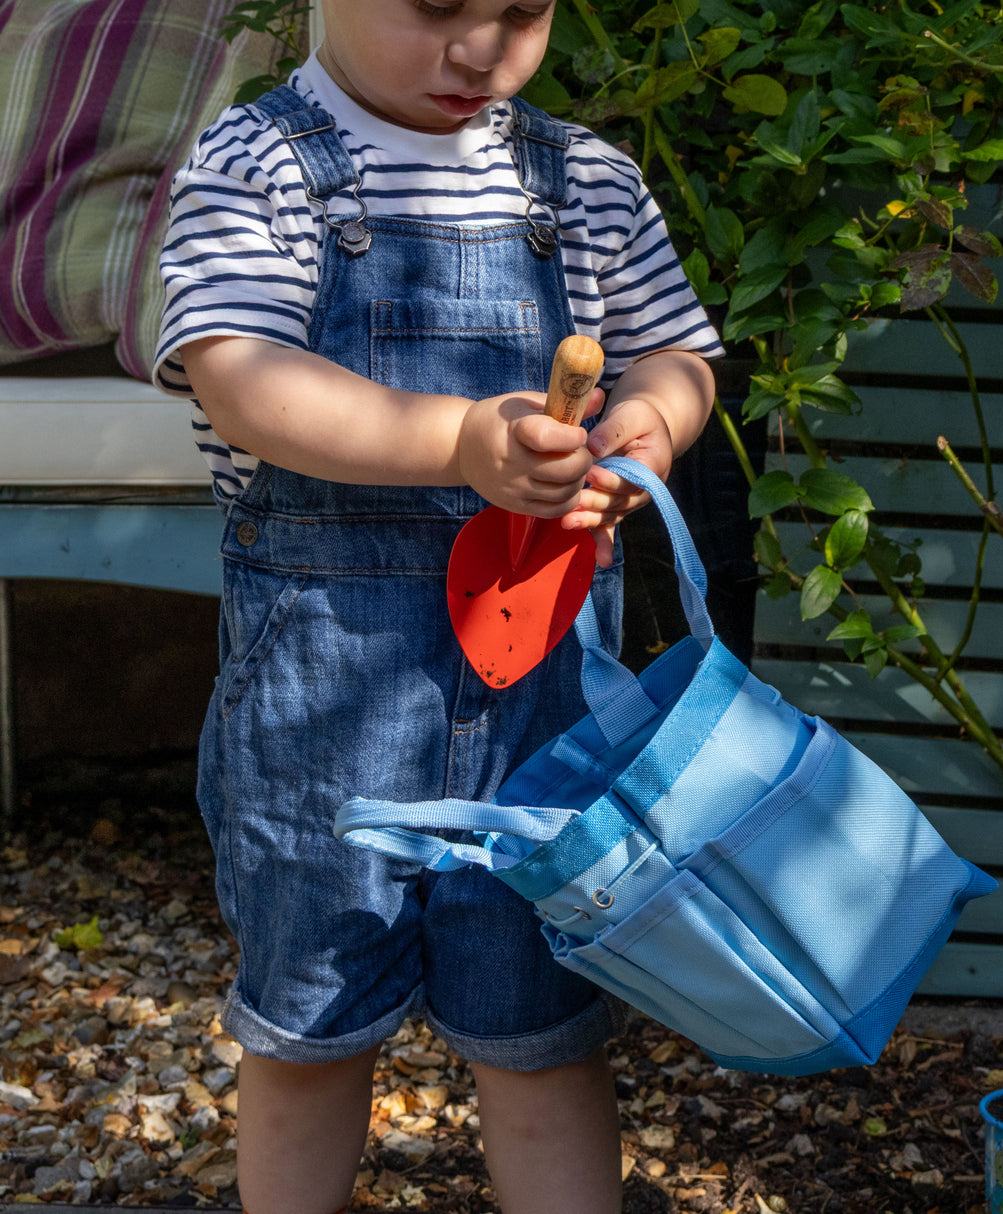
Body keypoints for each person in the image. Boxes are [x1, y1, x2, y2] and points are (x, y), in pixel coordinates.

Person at [153, 2, 722, 1213]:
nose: (482, 51)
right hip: (329, 701)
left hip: (543, 705)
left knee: (543, 1028)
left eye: (520, 12)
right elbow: (242, 375)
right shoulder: (259, 163)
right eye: (436, 8)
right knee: (307, 1027)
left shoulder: (585, 180)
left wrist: (650, 425)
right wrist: (454, 437)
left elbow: (675, 352)